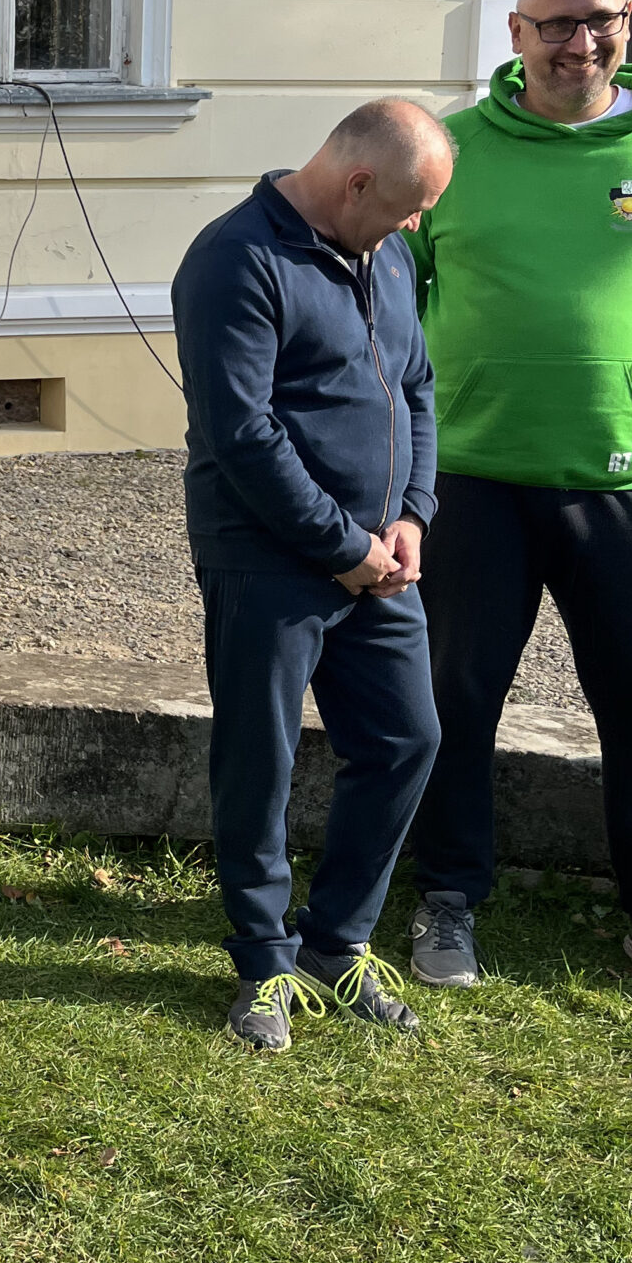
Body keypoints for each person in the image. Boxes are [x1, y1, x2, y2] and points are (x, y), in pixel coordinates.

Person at [171, 99, 455, 1050]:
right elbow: (242, 433)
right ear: (357, 182)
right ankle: (263, 960)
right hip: (267, 559)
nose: (415, 225)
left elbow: (416, 387)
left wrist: (412, 514)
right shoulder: (235, 259)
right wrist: (345, 548)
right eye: (408, 206)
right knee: (261, 759)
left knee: (407, 739)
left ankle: (337, 943)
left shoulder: (390, 254)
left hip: (380, 559)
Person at [407, 0, 632, 984]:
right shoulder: (450, 155)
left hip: (616, 482)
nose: (579, 43)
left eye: (600, 20)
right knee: (454, 702)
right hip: (472, 479)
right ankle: (448, 898)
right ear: (516, 32)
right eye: (556, 24)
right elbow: (389, 309)